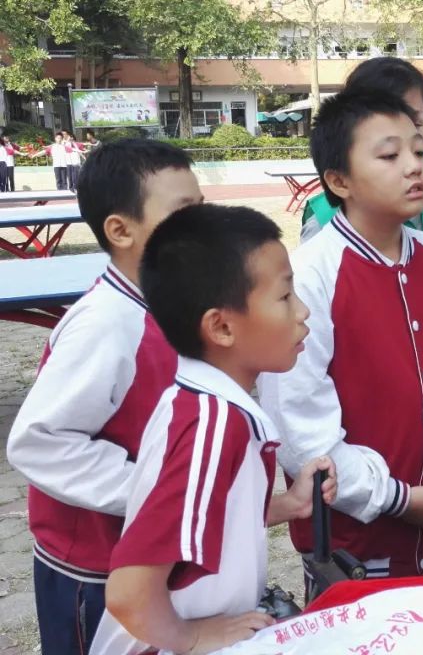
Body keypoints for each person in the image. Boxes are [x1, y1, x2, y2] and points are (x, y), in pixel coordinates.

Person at [258, 88, 423, 581]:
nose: (414, 167)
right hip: (354, 555)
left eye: (419, 151)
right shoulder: (311, 276)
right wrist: (395, 498)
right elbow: (299, 426)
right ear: (338, 180)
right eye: (389, 155)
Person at [90, 204, 338, 655]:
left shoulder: (202, 401)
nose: (303, 312)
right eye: (285, 296)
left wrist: (289, 505)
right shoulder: (214, 425)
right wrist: (191, 637)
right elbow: (129, 592)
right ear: (221, 327)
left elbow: (204, 515)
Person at [6, 140, 204, 654]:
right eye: (184, 213)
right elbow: (40, 441)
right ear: (120, 230)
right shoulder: (105, 324)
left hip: (150, 554)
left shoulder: (165, 304)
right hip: (96, 571)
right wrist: (157, 490)